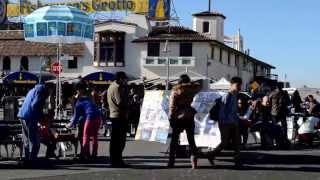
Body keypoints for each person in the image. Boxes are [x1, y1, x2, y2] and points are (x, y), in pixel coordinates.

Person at [208, 77, 243, 167]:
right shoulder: (227, 96)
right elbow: (222, 112)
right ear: (231, 85)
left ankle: (238, 160)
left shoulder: (236, 95)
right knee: (224, 143)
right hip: (225, 123)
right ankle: (211, 155)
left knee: (237, 142)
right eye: (237, 85)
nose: (239, 87)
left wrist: (237, 118)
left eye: (240, 85)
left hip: (234, 122)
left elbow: (233, 110)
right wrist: (224, 123)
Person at [168, 74, 201, 169]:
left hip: (179, 116)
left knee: (174, 140)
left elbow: (172, 105)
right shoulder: (192, 89)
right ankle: (194, 162)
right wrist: (189, 84)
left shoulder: (176, 90)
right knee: (191, 140)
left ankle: (171, 161)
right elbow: (199, 85)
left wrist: (171, 116)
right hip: (189, 115)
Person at [66, 82, 102, 160]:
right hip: (98, 117)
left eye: (77, 90)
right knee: (95, 136)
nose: (76, 92)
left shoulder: (79, 102)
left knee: (86, 136)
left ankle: (84, 155)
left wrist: (70, 124)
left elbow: (76, 117)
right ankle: (94, 155)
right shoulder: (90, 97)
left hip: (90, 117)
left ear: (79, 90)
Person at [17, 83, 48, 164]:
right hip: (30, 117)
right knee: (33, 139)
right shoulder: (41, 92)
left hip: (22, 115)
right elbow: (35, 105)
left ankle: (27, 158)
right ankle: (32, 159)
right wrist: (41, 116)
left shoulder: (32, 90)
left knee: (26, 139)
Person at [107, 71, 129, 167]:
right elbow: (120, 102)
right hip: (118, 116)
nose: (125, 81)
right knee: (119, 140)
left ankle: (115, 160)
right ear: (120, 79)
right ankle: (117, 160)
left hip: (114, 115)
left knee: (115, 140)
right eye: (124, 79)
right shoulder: (117, 87)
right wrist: (128, 101)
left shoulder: (111, 86)